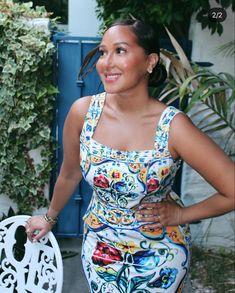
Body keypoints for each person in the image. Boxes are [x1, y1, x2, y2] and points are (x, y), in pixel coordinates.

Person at [26, 19, 235, 292]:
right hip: (99, 251)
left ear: (150, 62)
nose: (106, 62)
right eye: (103, 52)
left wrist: (181, 215)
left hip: (159, 259)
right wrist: (50, 217)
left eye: (120, 50)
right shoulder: (83, 112)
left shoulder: (173, 127)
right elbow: (70, 172)